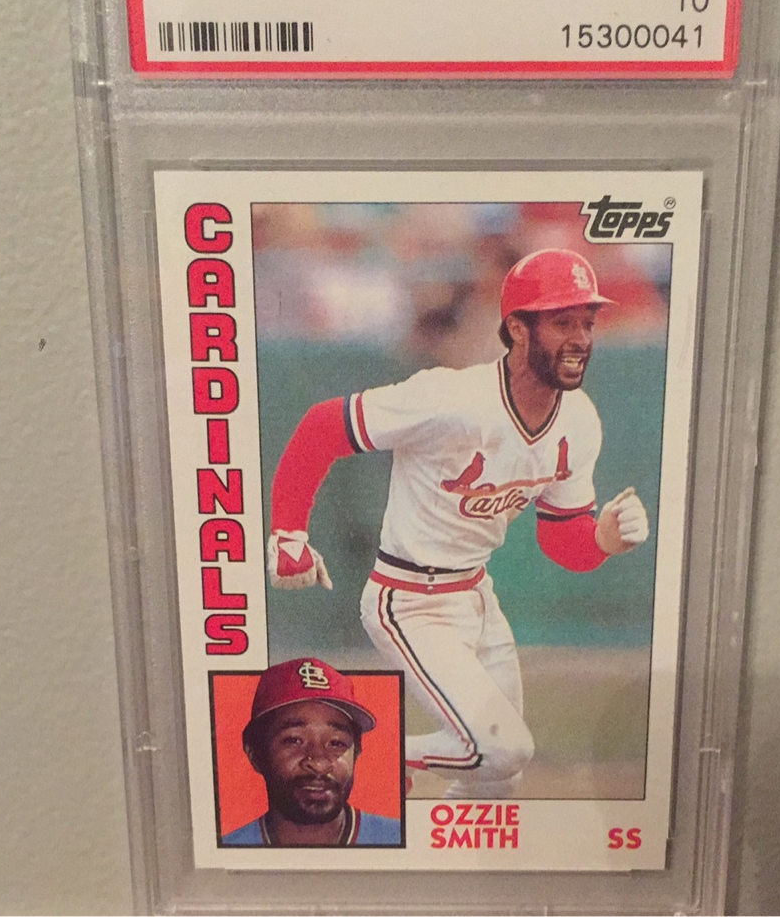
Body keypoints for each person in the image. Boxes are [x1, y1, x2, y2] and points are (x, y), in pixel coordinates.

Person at [266, 250, 649, 799]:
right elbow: (323, 425)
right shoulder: (451, 398)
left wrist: (603, 541)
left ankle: (437, 849)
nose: (580, 338)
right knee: (502, 750)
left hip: (476, 596)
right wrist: (289, 534)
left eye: (587, 322)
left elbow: (562, 539)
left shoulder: (579, 420)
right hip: (410, 600)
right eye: (563, 322)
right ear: (518, 328)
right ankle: (351, 753)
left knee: (497, 779)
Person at [221, 657, 401, 846]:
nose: (318, 763)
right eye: (294, 740)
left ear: (356, 753)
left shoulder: (399, 841)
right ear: (256, 755)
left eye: (336, 743)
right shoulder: (226, 853)